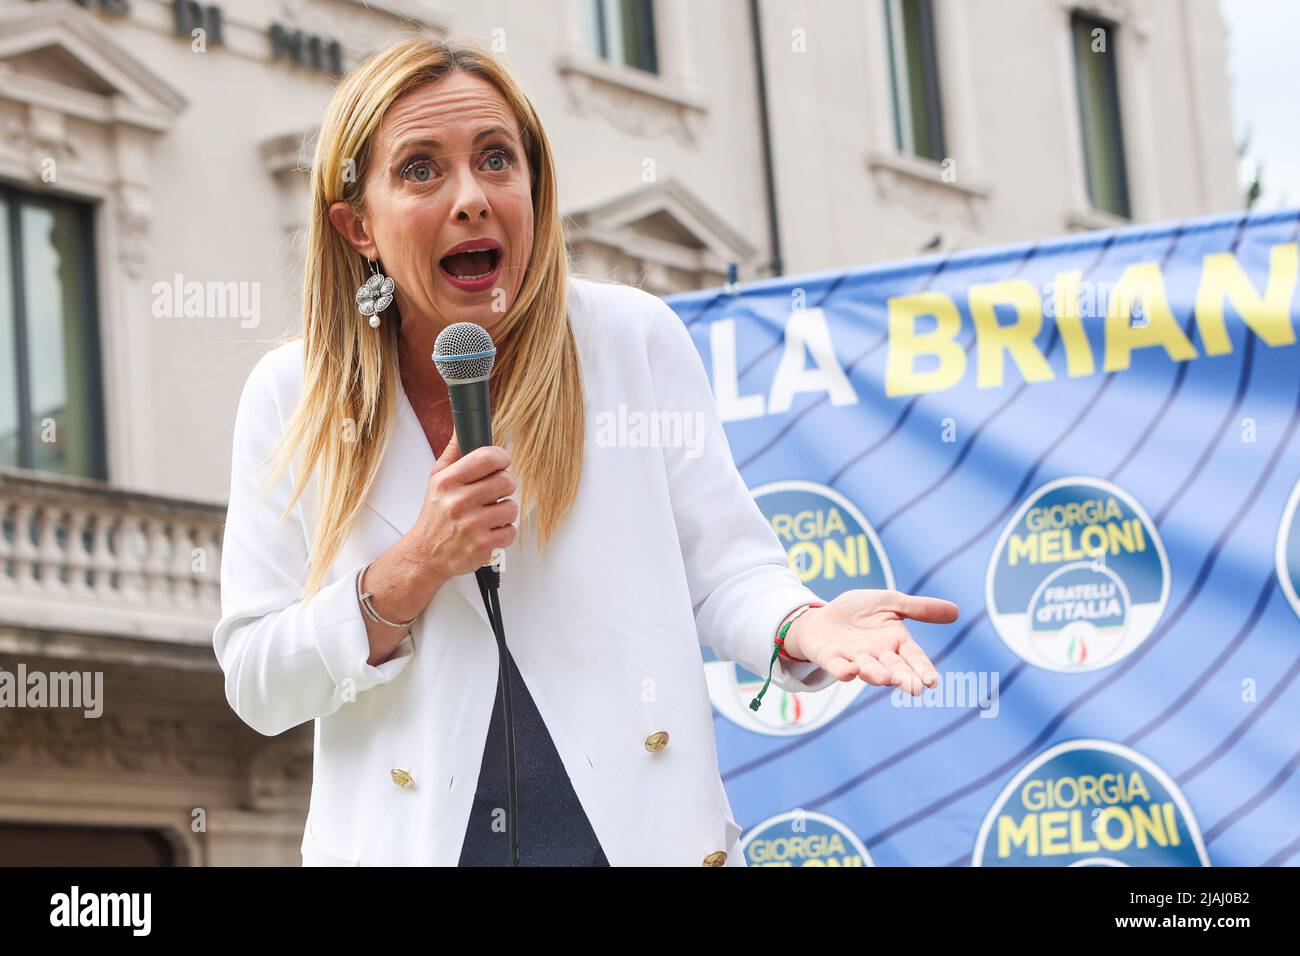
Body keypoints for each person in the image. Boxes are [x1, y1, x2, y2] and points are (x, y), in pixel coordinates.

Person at [212, 35, 960, 867]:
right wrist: (414, 565)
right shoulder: (293, 398)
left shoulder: (630, 339)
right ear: (358, 226)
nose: (472, 198)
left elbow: (730, 572)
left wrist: (801, 627)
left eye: (497, 159)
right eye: (421, 169)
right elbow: (256, 680)